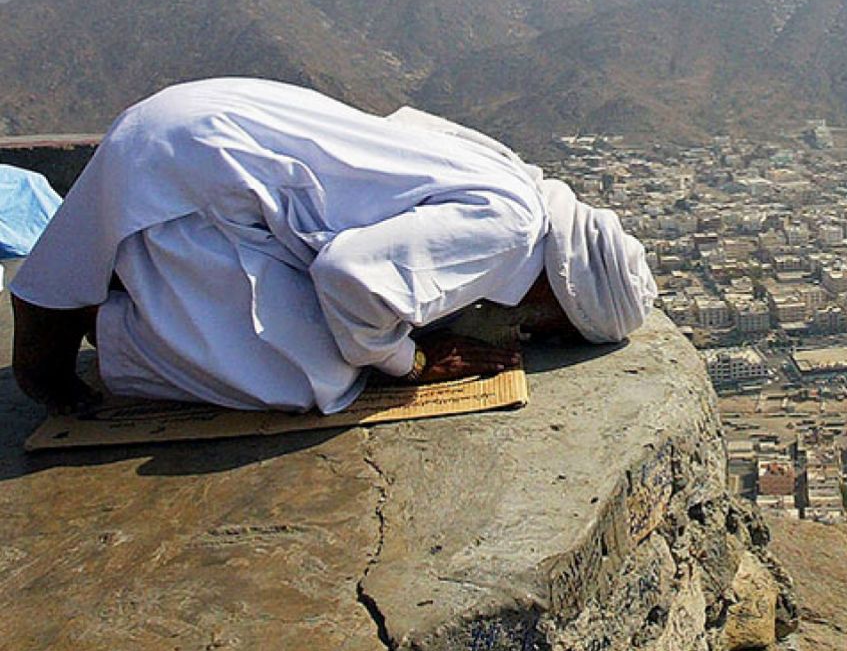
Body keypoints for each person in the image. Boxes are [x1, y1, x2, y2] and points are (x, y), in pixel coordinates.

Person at [9, 77, 657, 415]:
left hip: (201, 125)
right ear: (556, 301)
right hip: (198, 168)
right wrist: (411, 362)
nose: (528, 330)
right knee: (313, 374)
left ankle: (105, 296)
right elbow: (351, 275)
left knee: (338, 336)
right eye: (547, 329)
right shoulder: (509, 231)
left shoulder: (515, 183)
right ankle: (103, 321)